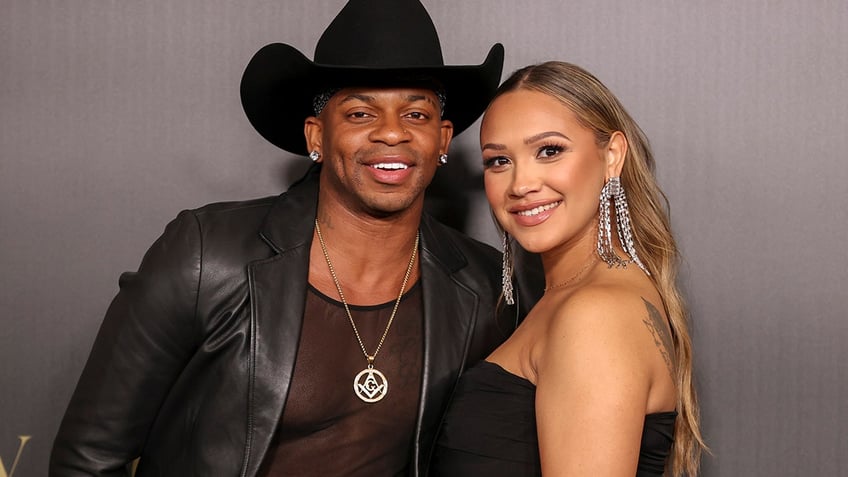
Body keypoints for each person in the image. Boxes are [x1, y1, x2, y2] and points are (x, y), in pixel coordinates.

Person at [49, 1, 537, 475]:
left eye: (416, 114)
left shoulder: (486, 290)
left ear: (444, 140)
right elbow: (88, 460)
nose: (393, 134)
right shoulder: (206, 255)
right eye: (360, 114)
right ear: (315, 137)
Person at [431, 61, 708, 476]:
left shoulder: (595, 315)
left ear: (612, 155)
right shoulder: (575, 298)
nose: (521, 183)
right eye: (499, 161)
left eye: (549, 151)